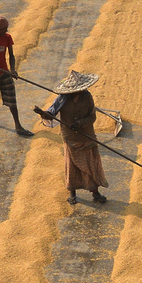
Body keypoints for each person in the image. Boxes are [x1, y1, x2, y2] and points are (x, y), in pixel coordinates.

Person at [33, 70, 109, 205]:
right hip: (70, 138)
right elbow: (52, 113)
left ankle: (95, 193)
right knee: (72, 166)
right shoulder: (62, 98)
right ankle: (72, 193)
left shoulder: (87, 97)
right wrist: (43, 113)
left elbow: (92, 116)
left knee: (90, 166)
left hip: (86, 137)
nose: (81, 91)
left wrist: (79, 123)